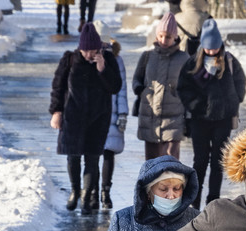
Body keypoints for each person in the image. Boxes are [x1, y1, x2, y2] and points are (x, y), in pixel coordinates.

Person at [49, 22, 120, 214]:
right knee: (73, 157)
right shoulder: (69, 60)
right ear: (80, 48)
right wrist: (56, 112)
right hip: (72, 117)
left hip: (98, 118)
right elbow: (58, 87)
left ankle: (87, 197)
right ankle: (75, 191)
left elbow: (115, 86)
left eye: (93, 50)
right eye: (86, 50)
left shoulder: (107, 60)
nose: (89, 54)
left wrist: (102, 68)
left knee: (92, 158)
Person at [176, 18, 246, 210]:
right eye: (208, 48)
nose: (212, 52)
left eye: (215, 48)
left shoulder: (229, 61)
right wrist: (197, 106)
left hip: (222, 119)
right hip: (199, 120)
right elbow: (183, 88)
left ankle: (213, 201)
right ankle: (194, 201)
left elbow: (240, 83)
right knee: (200, 161)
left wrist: (233, 102)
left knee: (218, 161)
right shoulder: (193, 63)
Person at [132, 12, 189, 160]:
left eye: (168, 37)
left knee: (170, 160)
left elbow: (190, 86)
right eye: (161, 35)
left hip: (174, 117)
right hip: (149, 115)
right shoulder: (147, 56)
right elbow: (137, 78)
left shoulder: (183, 58)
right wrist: (140, 90)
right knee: (151, 164)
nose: (164, 40)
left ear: (175, 37)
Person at [93, 20, 129, 210]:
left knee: (108, 152)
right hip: (93, 113)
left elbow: (122, 89)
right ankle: (91, 190)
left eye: (104, 42)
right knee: (92, 154)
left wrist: (122, 113)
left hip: (112, 113)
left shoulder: (116, 59)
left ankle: (105, 191)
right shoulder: (89, 58)